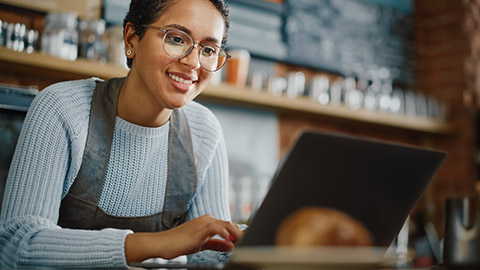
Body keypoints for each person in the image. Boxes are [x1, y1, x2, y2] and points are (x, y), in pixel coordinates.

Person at [0, 0, 243, 268]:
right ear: (132, 38)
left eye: (208, 49)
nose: (193, 62)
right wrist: (158, 243)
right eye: (176, 39)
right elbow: (17, 245)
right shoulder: (62, 108)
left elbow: (210, 257)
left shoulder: (204, 130)